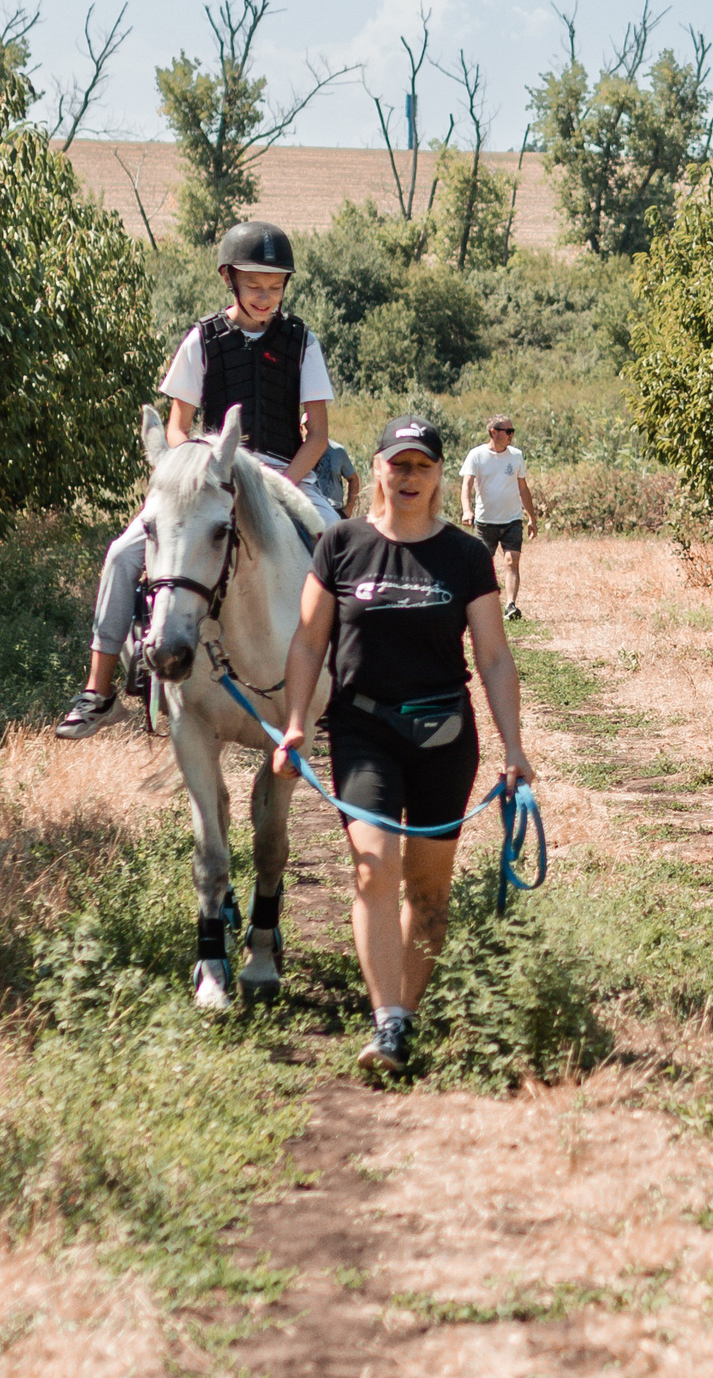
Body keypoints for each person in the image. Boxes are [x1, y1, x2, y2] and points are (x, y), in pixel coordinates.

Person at [272, 416, 537, 1081]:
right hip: (364, 731)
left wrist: (514, 747)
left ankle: (404, 1018)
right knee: (373, 865)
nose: (409, 477)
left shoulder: (466, 556)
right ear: (379, 468)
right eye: (399, 464)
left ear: (440, 475)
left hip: (446, 732)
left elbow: (496, 660)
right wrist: (297, 720)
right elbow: (307, 642)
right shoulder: (341, 545)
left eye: (422, 466)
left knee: (427, 887)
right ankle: (385, 1015)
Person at [56, 221, 337, 740]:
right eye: (254, 284)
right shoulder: (202, 338)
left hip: (283, 472)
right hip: (206, 475)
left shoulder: (302, 341)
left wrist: (287, 485)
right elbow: (177, 426)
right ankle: (98, 690)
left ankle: (346, 689)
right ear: (229, 279)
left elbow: (318, 436)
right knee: (121, 554)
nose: (264, 296)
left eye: (275, 287)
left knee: (337, 543)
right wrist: (195, 473)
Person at [461, 416, 541, 621]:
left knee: (511, 561)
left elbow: (523, 488)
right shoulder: (476, 455)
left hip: (512, 520)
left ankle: (510, 606)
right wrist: (467, 510)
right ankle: (479, 606)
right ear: (493, 432)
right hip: (485, 521)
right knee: (482, 566)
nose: (512, 435)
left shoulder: (516, 456)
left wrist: (532, 518)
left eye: (513, 431)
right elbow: (467, 486)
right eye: (508, 431)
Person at [309, 417, 358, 520]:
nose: (310, 428)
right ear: (301, 428)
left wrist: (348, 509)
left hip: (335, 511)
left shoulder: (337, 451)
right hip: (310, 511)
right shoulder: (298, 453)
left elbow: (353, 479)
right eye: (307, 425)